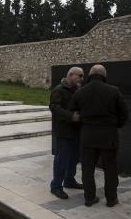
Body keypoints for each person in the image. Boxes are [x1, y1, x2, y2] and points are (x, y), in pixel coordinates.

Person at [70, 64, 128, 207]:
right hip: (109, 136)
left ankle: (89, 198)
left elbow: (73, 113)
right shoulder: (114, 91)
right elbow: (124, 113)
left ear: (90, 75)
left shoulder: (80, 92)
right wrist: (115, 125)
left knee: (87, 169)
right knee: (110, 169)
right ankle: (111, 199)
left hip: (88, 136)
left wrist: (83, 126)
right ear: (104, 76)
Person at [49, 67, 84, 199]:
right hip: (64, 132)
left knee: (74, 159)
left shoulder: (78, 90)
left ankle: (69, 180)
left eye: (82, 76)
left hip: (76, 132)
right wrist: (71, 116)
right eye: (79, 75)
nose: (81, 78)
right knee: (61, 160)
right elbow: (54, 107)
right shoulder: (58, 90)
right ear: (70, 75)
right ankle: (56, 186)